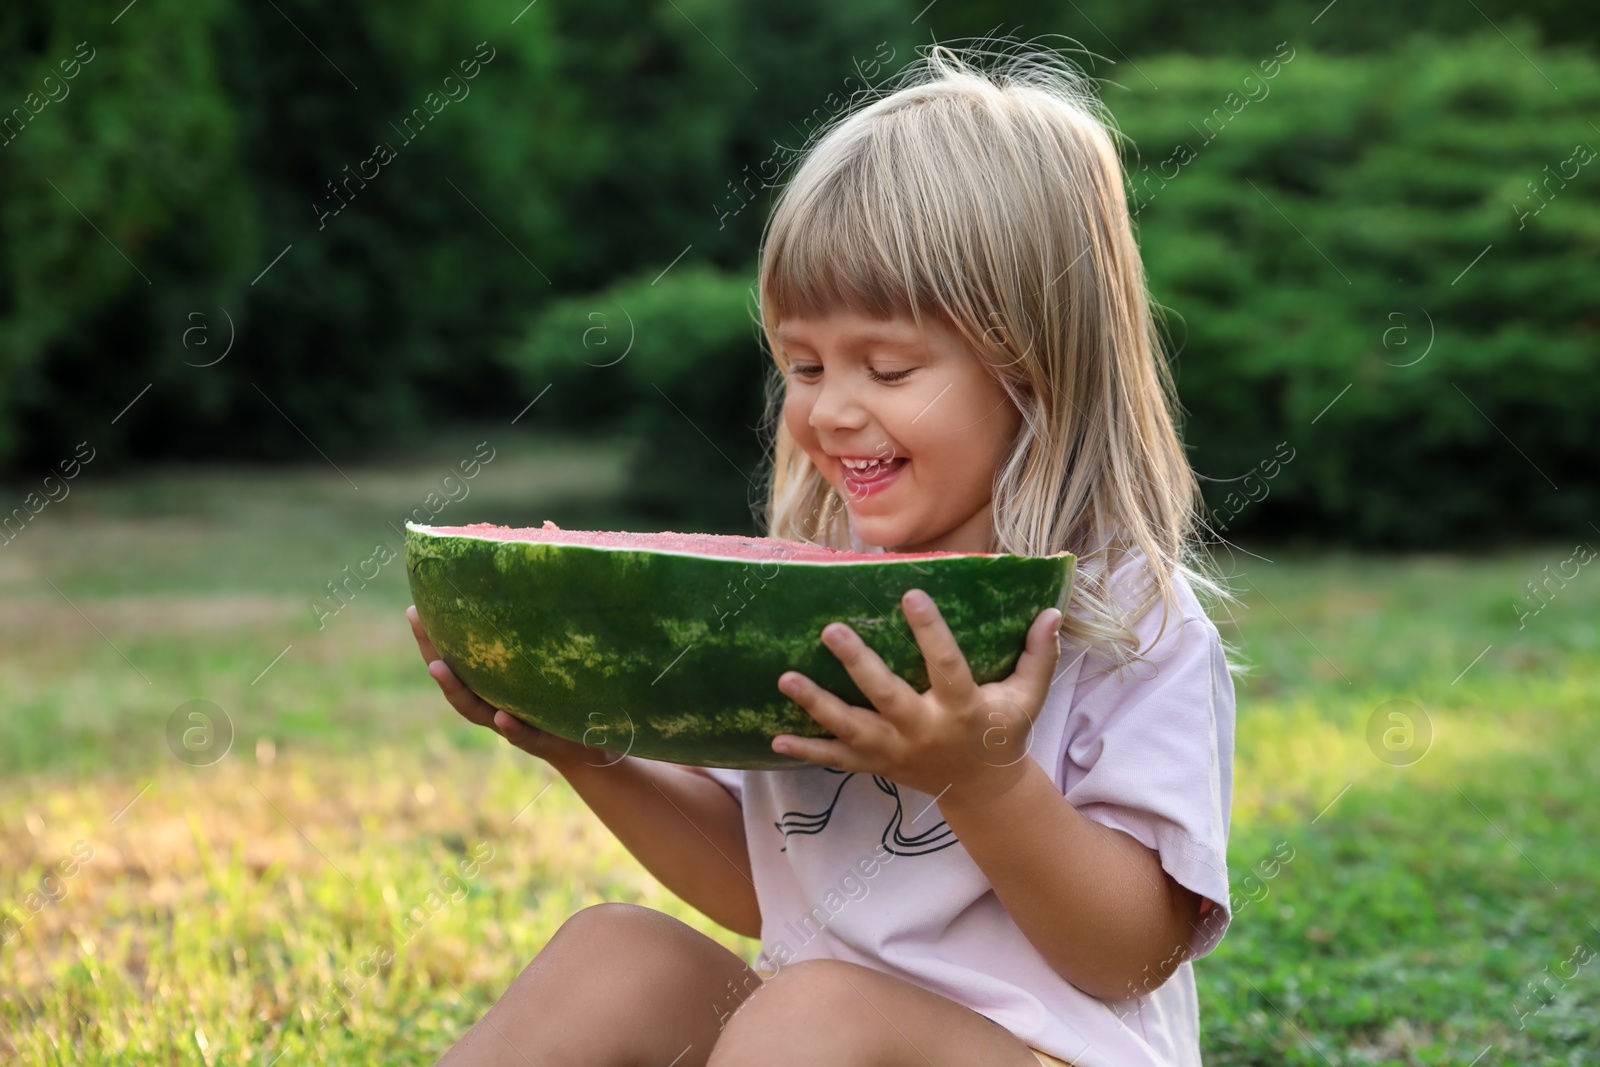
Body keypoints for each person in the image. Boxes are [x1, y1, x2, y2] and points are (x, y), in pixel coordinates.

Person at [408, 37, 1241, 1067]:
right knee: (611, 951)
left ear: (1037, 367)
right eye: (801, 363)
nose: (833, 409)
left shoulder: (1132, 619)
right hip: (805, 1033)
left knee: (816, 1010)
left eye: (886, 367)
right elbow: (756, 878)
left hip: (1046, 1051)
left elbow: (1130, 954)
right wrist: (591, 750)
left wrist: (980, 778)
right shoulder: (812, 591)